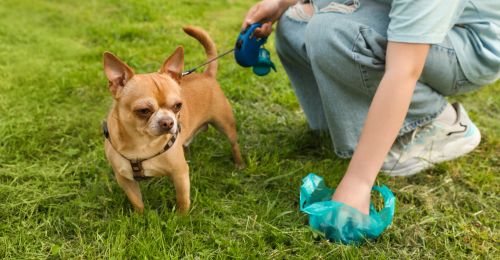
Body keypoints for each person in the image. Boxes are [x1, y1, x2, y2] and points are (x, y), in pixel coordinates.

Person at [241, 0, 499, 214]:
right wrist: (281, 3)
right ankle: (361, 125)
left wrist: (359, 182)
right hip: (401, 16)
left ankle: (437, 122)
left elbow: (403, 70)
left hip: (469, 42)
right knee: (294, 21)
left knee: (332, 32)